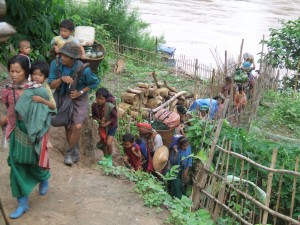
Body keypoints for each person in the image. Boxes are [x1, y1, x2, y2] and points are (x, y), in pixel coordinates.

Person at [2, 55, 53, 219]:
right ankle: (22, 203)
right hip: (15, 131)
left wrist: (41, 131)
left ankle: (43, 176)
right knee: (16, 165)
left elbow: (50, 110)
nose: (14, 74)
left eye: (18, 71)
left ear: (26, 71)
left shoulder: (37, 89)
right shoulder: (7, 89)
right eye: (11, 71)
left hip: (32, 131)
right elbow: (8, 108)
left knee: (32, 162)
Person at [48, 42, 100, 166]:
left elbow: (94, 83)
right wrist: (61, 79)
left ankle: (69, 153)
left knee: (77, 126)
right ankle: (74, 151)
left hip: (79, 98)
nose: (62, 58)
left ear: (73, 58)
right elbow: (50, 85)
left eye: (65, 56)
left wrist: (80, 92)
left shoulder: (84, 69)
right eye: (61, 55)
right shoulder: (55, 65)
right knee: (67, 124)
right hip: (62, 95)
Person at [91, 88, 118, 166]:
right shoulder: (94, 106)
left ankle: (109, 158)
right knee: (104, 142)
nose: (99, 100)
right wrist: (100, 121)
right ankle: (105, 158)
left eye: (101, 99)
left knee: (109, 143)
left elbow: (115, 117)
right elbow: (94, 116)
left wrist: (107, 123)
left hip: (112, 126)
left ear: (106, 99)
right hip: (102, 126)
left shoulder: (110, 107)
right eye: (97, 98)